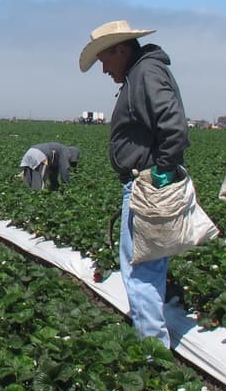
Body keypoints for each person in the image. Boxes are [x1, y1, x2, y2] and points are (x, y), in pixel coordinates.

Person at [79, 20, 189, 348]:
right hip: (141, 182)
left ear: (120, 49)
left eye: (104, 60)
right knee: (144, 267)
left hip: (147, 184)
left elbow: (174, 125)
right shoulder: (139, 75)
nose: (103, 69)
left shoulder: (146, 74)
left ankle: (152, 354)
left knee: (141, 271)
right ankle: (150, 341)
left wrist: (163, 171)